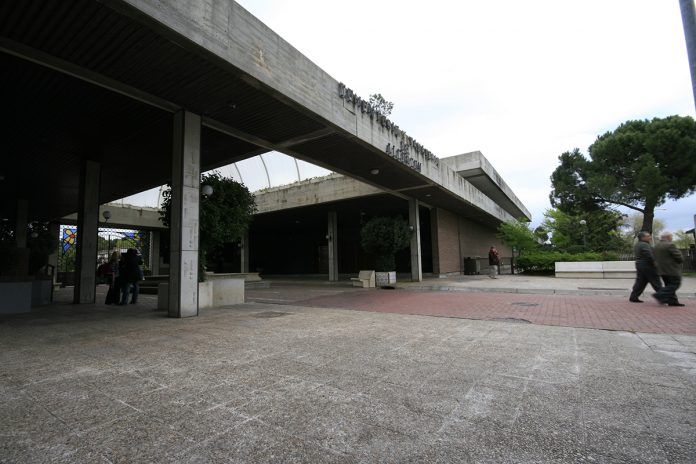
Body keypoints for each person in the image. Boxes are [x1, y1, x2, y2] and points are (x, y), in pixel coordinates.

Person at [629, 231, 662, 303]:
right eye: (648, 236)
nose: (650, 237)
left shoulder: (638, 244)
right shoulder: (644, 245)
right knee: (656, 281)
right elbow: (649, 255)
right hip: (647, 265)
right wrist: (654, 262)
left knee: (640, 282)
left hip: (640, 265)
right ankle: (663, 297)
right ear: (642, 237)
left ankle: (633, 297)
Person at [654, 231, 685, 307]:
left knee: (669, 284)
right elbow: (679, 257)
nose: (672, 238)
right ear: (667, 237)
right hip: (671, 269)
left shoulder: (657, 245)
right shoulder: (670, 245)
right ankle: (659, 294)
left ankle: (673, 301)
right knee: (675, 284)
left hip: (661, 270)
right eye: (671, 236)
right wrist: (680, 260)